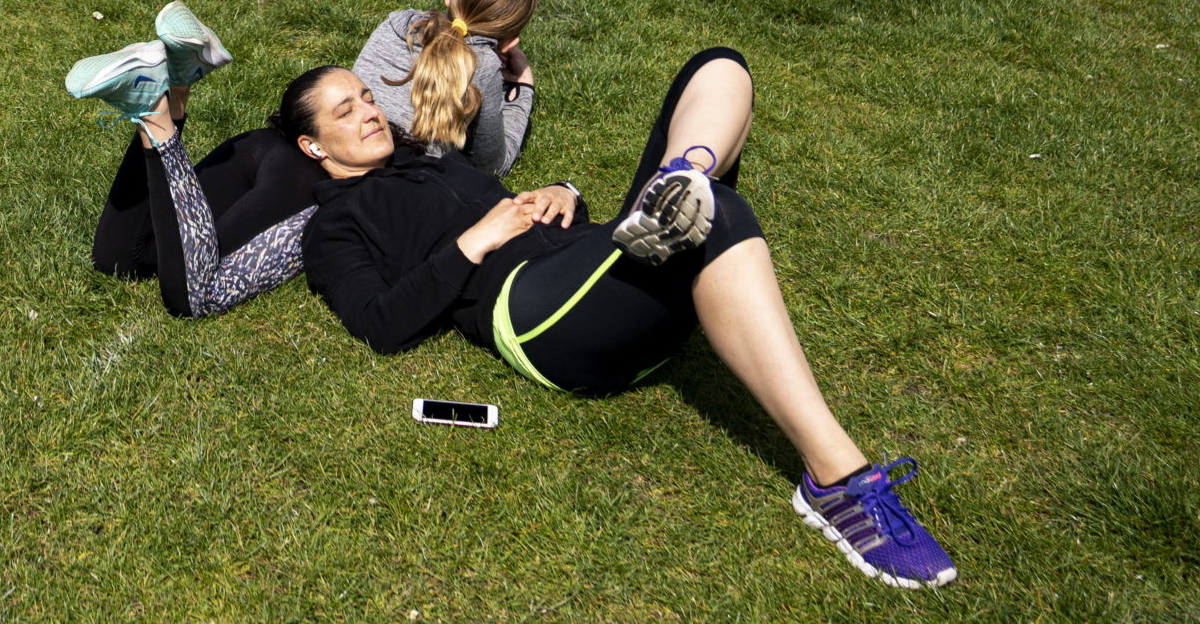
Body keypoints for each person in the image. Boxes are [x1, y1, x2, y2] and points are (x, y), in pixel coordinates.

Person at [293, 52, 959, 590]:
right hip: (532, 316)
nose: (369, 113)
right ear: (314, 145)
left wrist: (564, 196)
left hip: (590, 280)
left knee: (717, 67)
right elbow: (380, 322)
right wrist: (479, 238)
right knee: (719, 210)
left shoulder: (435, 155)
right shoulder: (333, 226)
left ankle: (682, 177)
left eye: (368, 98)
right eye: (344, 111)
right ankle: (837, 482)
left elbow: (542, 213)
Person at [69, 2, 325, 319]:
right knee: (194, 285)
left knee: (121, 259)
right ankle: (152, 110)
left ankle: (178, 79)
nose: (371, 115)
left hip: (260, 146)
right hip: (303, 169)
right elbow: (193, 296)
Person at [353, 0, 538, 177]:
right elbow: (491, 165)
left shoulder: (395, 25)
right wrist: (522, 89)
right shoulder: (483, 66)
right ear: (510, 43)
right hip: (404, 184)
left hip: (340, 154)